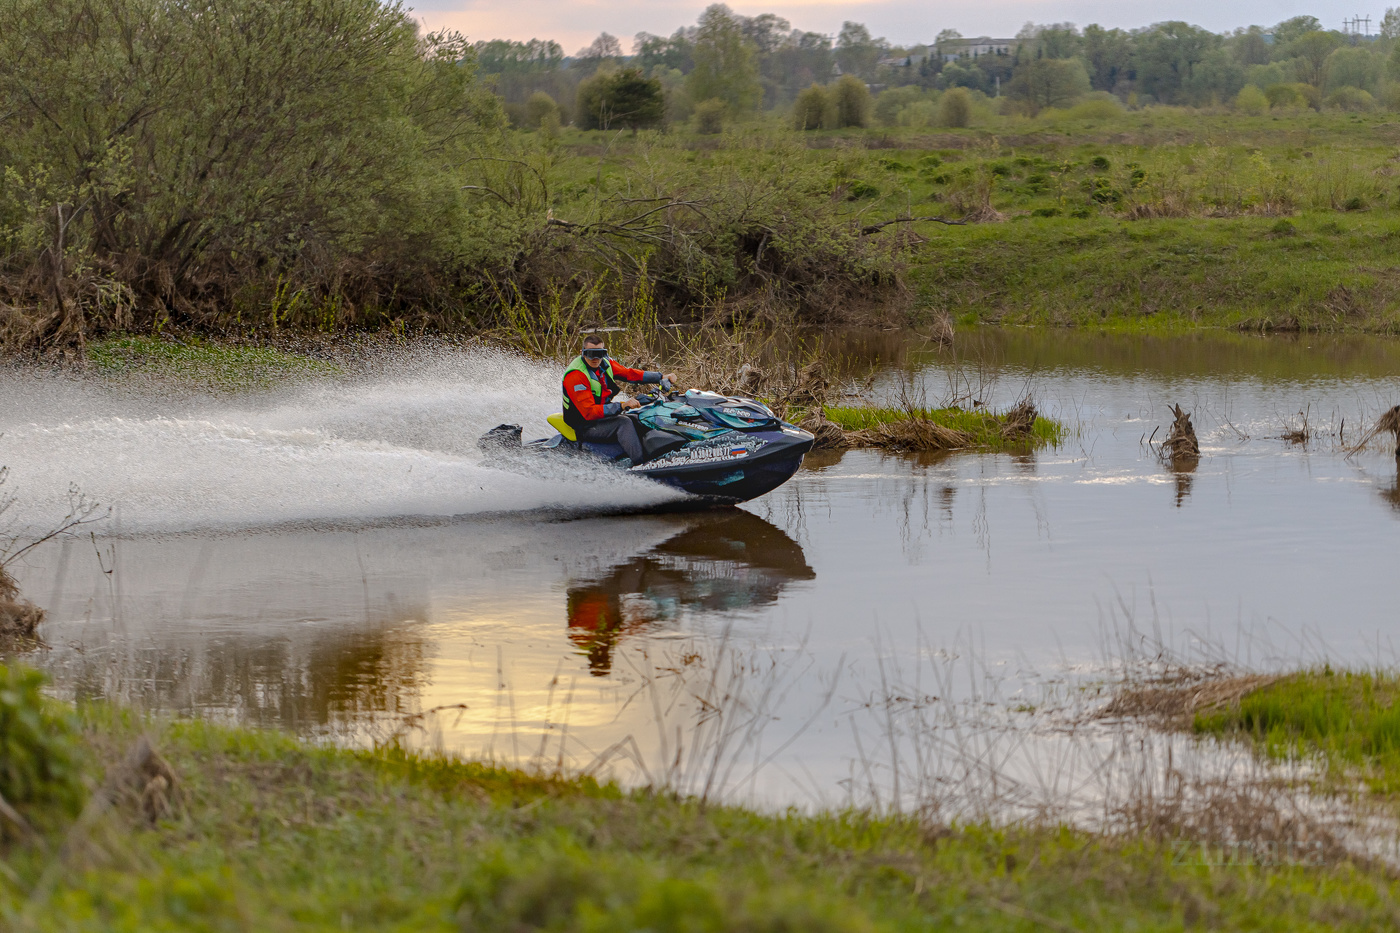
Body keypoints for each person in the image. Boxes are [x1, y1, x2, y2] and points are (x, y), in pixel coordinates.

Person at [562, 335, 677, 465]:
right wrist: (622, 406)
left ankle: (661, 454)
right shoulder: (576, 376)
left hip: (600, 416)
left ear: (604, 352)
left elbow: (629, 374)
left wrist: (660, 376)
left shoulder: (605, 363)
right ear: (582, 353)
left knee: (640, 418)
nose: (595, 358)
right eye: (590, 354)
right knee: (624, 423)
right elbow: (589, 412)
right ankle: (642, 465)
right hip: (584, 424)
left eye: (599, 354)